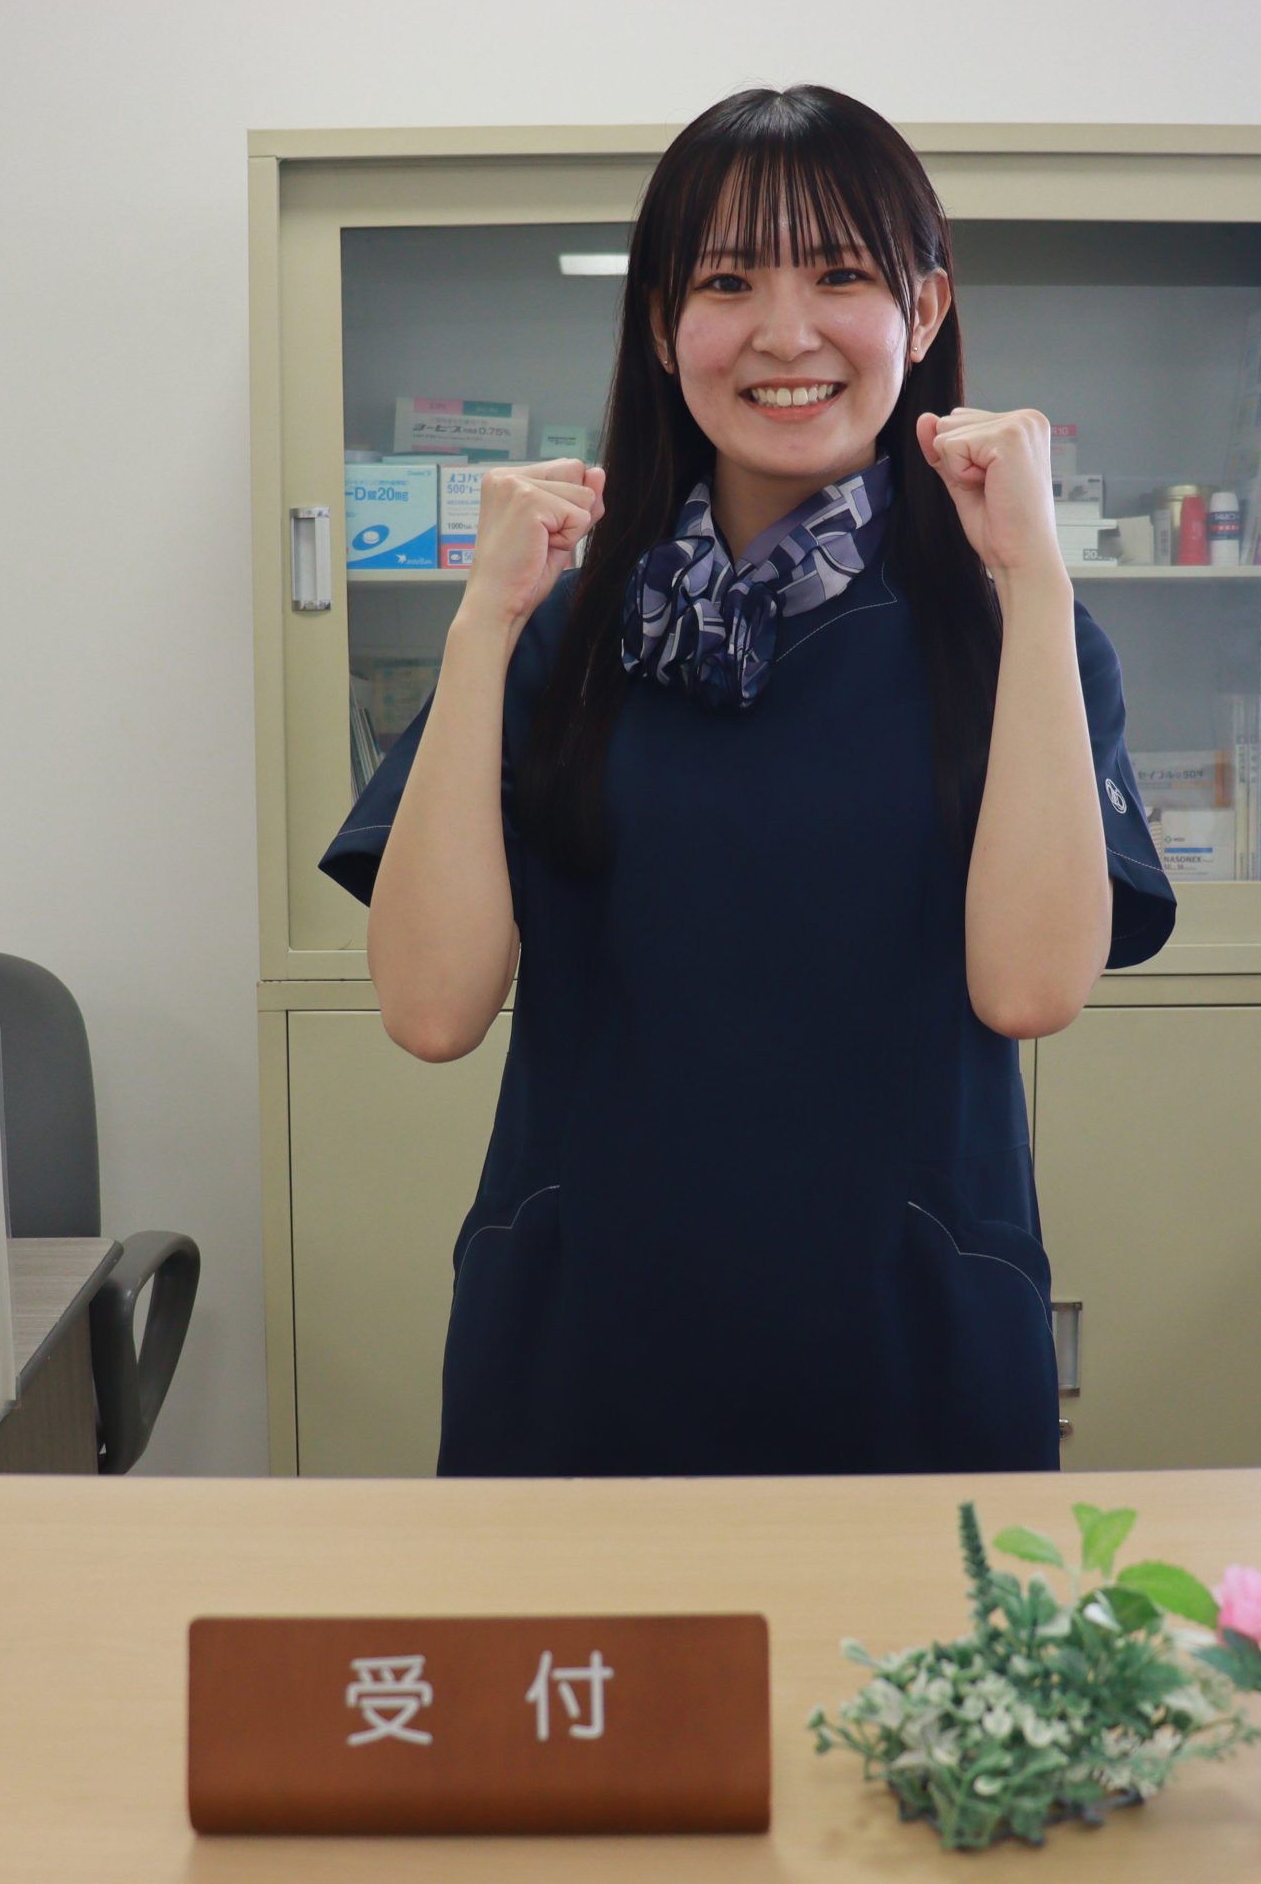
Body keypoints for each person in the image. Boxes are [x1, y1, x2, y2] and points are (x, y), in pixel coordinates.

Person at [320, 85, 1176, 1478]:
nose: (785, 332)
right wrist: (480, 623)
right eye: (728, 283)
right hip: (583, 1364)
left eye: (839, 275)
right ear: (664, 325)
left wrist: (1033, 579)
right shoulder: (557, 630)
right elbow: (429, 1008)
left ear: (923, 307)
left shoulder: (1015, 633)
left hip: (908, 1365)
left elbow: (1031, 989)